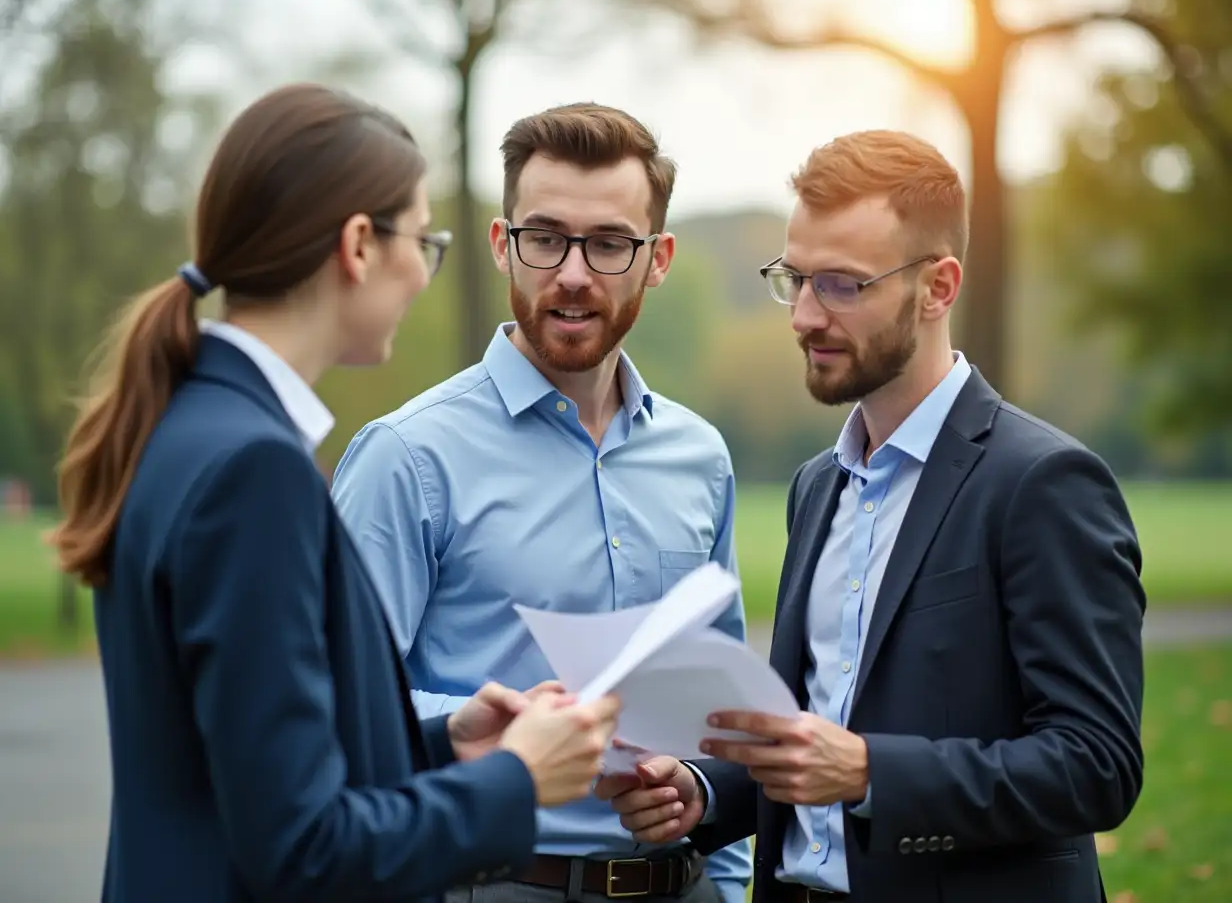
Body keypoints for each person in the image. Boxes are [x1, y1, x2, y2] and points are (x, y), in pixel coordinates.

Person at [46, 83, 621, 903]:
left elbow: (251, 765)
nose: (424, 274)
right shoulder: (255, 472)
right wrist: (519, 782)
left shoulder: (189, 424)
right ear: (359, 244)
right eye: (425, 242)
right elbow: (303, 851)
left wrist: (439, 741)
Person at [594, 129, 1146, 903]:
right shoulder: (816, 488)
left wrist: (868, 771)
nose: (805, 317)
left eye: (843, 286)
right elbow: (808, 741)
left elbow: (1097, 765)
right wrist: (706, 791)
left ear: (938, 287)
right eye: (796, 278)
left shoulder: (1044, 484)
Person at [330, 102, 753, 903]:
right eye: (546, 237)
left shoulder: (700, 458)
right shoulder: (407, 457)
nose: (572, 272)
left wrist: (723, 878)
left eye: (608, 244)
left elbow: (717, 710)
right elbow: (341, 703)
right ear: (502, 245)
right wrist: (492, 727)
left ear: (657, 258)